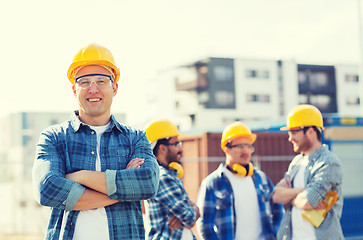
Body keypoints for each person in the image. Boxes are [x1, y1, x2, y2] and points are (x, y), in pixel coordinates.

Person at [32, 43, 160, 240]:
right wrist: (124, 189)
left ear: (114, 87)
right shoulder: (54, 137)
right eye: (84, 82)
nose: (93, 89)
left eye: (101, 81)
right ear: (74, 89)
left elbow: (148, 183)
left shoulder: (136, 138)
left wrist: (79, 176)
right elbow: (47, 189)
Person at [196, 121, 283, 240]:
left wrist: (274, 235)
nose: (246, 151)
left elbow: (278, 211)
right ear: (226, 148)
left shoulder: (261, 179)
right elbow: (204, 224)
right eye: (240, 147)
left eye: (249, 146)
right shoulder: (212, 183)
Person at [272, 104, 344, 240]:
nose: (290, 138)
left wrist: (289, 196)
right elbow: (276, 195)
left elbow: (307, 202)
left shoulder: (328, 162)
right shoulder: (296, 163)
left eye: (294, 132)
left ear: (311, 131)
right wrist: (304, 190)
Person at [143, 120, 200, 240]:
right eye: (176, 144)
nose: (181, 148)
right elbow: (189, 218)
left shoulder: (170, 175)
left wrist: (191, 211)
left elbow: (188, 216)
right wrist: (194, 209)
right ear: (162, 148)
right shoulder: (163, 178)